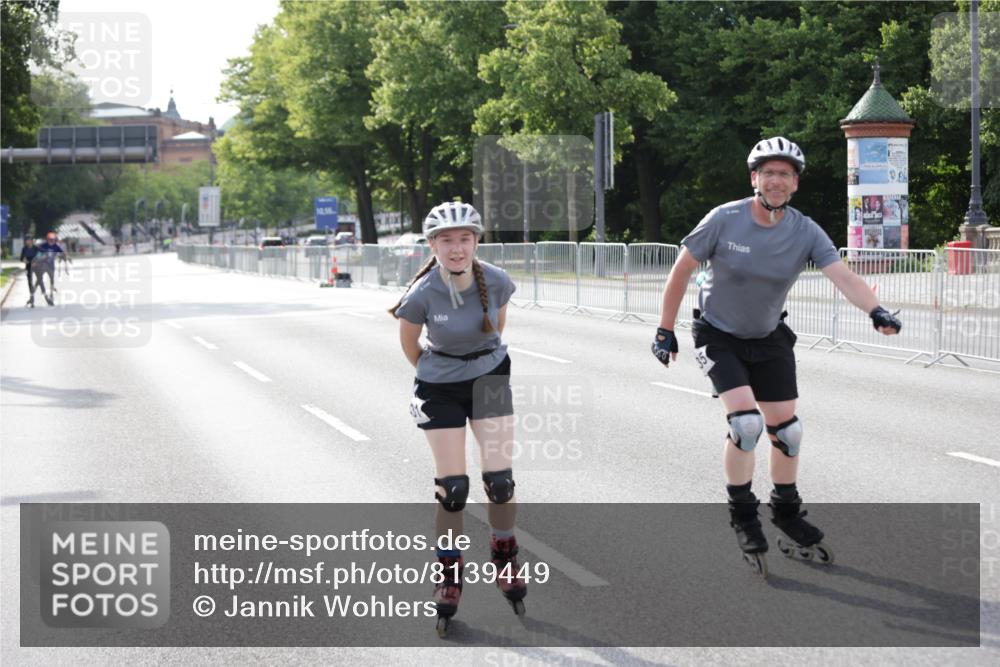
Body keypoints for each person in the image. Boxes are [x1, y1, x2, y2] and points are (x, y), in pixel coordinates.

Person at [651, 136, 902, 577]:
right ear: (755, 179)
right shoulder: (723, 219)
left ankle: (786, 511)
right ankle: (743, 514)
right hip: (718, 334)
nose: (776, 181)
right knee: (746, 424)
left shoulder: (804, 230)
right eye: (768, 172)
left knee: (789, 431)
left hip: (769, 337)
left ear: (795, 184)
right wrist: (665, 330)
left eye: (785, 174)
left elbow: (842, 274)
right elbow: (681, 270)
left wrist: (875, 310)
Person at [389, 201, 525, 635]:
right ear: (432, 245)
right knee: (453, 489)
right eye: (446, 240)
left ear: (476, 242)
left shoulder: (497, 281)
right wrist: (438, 376)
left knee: (500, 481)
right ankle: (449, 574)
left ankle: (504, 555)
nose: (456, 247)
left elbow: (497, 331)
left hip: (488, 374)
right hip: (439, 384)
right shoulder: (422, 293)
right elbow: (410, 345)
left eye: (464, 238)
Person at [19, 237, 41, 306]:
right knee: (30, 282)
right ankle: (32, 298)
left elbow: (40, 256)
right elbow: (21, 258)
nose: (26, 242)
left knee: (39, 280)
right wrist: (25, 261)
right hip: (28, 267)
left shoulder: (36, 248)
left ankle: (33, 292)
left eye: (28, 240)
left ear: (31, 241)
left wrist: (36, 262)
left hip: (36, 266)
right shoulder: (24, 248)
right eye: (26, 240)